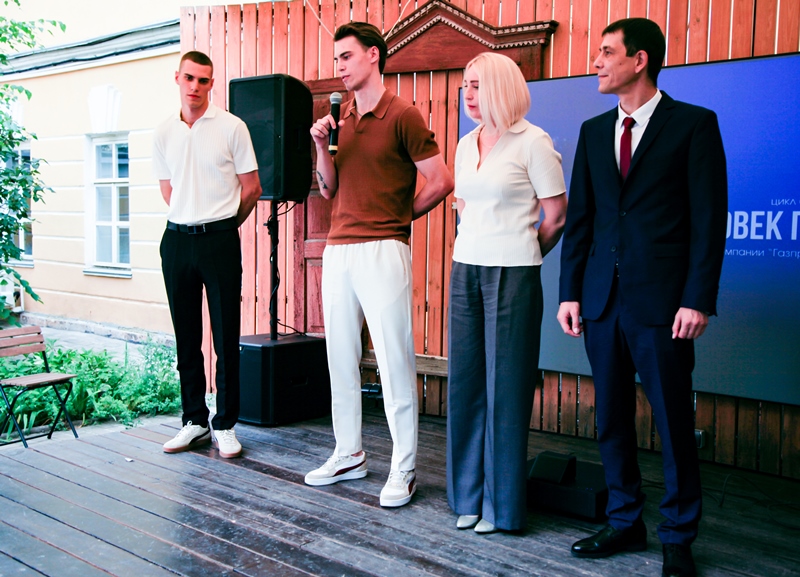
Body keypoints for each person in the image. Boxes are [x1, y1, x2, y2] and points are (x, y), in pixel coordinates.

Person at [557, 18, 727, 577]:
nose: (597, 62)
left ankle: (678, 535)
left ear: (640, 60)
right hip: (601, 302)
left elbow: (708, 221)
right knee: (610, 418)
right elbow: (581, 221)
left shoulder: (694, 125)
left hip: (664, 305)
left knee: (674, 422)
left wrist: (697, 299)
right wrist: (570, 292)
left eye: (607, 52)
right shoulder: (592, 131)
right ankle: (625, 520)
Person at [304, 22, 453, 507]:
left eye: (346, 56)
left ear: (373, 55)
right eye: (336, 59)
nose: (339, 66)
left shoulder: (403, 114)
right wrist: (319, 144)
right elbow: (328, 189)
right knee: (339, 357)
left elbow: (441, 179)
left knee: (393, 360)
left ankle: (404, 466)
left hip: (384, 248)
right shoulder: (340, 118)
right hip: (339, 248)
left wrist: (399, 216)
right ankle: (348, 453)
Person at [446, 52, 567, 534]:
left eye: (477, 85)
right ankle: (468, 498)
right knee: (466, 384)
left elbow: (556, 217)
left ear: (501, 87)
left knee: (507, 389)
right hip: (465, 269)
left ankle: (502, 508)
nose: (468, 94)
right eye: (465, 85)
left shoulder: (534, 142)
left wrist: (523, 251)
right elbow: (463, 208)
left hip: (514, 272)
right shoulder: (465, 144)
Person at [153, 50, 262, 459]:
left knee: (225, 336)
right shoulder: (163, 132)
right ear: (177, 78)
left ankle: (226, 424)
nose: (195, 87)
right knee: (186, 337)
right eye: (189, 78)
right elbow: (169, 191)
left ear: (212, 84)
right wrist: (190, 217)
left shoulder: (232, 127)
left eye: (203, 80)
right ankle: (194, 421)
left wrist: (225, 224)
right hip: (176, 241)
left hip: (219, 238)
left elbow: (252, 187)